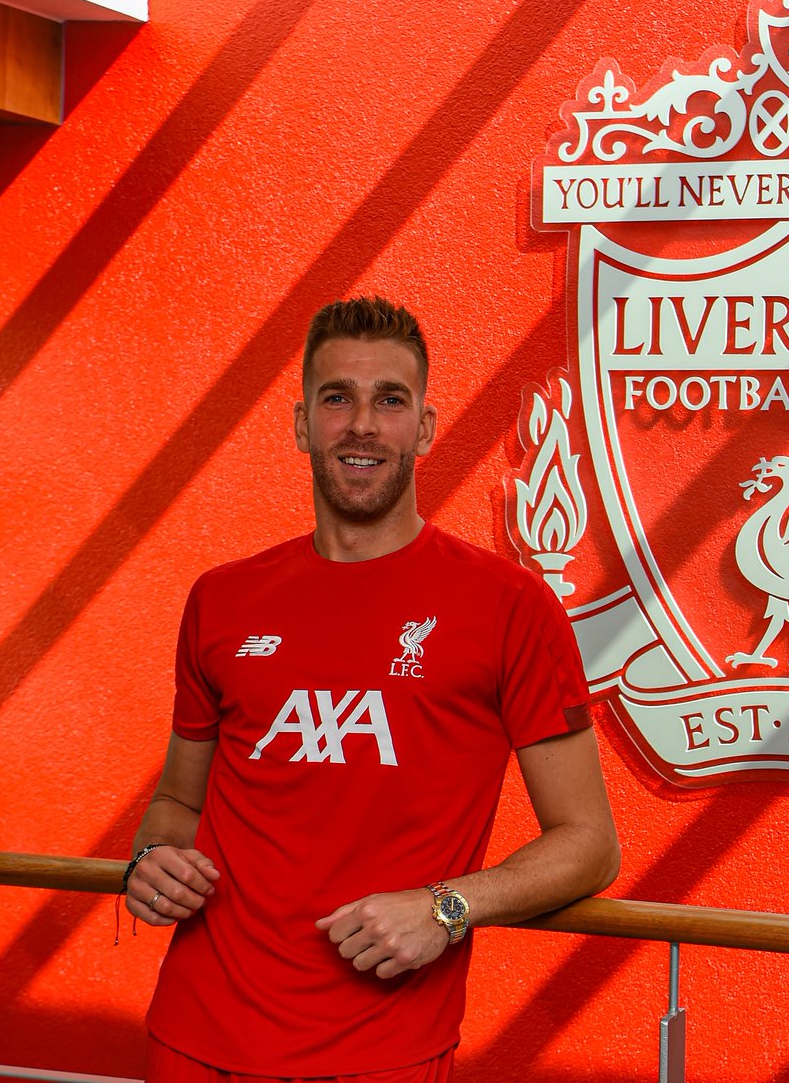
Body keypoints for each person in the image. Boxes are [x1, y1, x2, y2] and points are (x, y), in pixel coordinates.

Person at [123, 295, 621, 1083]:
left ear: (423, 428)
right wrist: (151, 857)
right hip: (194, 1034)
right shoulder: (221, 599)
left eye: (389, 400)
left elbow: (590, 845)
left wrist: (446, 908)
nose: (362, 423)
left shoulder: (509, 606)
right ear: (300, 426)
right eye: (337, 398)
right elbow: (177, 805)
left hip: (382, 1052)